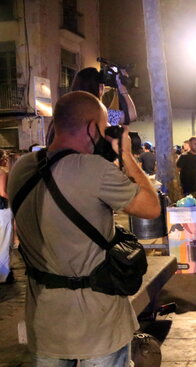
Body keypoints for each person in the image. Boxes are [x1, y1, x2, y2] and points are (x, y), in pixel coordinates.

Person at [7, 91, 160, 365]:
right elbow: (151, 207)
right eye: (102, 129)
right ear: (92, 128)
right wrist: (125, 154)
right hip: (98, 323)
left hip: (45, 321)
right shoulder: (95, 170)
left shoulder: (21, 168)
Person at [70, 67, 137, 126]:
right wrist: (122, 88)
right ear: (99, 87)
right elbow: (131, 115)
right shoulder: (100, 114)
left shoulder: (70, 111)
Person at [176, 137, 196, 202]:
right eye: (195, 144)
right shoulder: (184, 156)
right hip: (187, 189)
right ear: (190, 144)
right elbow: (177, 170)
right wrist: (179, 186)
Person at [0, 149, 14, 284]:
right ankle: (3, 276)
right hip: (2, 210)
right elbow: (3, 192)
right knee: (4, 243)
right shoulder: (2, 172)